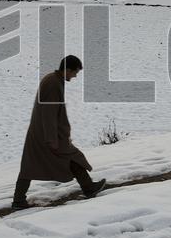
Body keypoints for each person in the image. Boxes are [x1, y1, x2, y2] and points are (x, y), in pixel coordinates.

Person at [12, 55, 106, 209]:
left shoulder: (54, 80)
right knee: (71, 157)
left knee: (32, 165)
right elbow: (49, 113)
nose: (75, 76)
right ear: (67, 69)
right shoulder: (53, 83)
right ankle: (89, 188)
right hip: (47, 135)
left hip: (42, 133)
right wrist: (51, 139)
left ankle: (18, 200)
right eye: (74, 72)